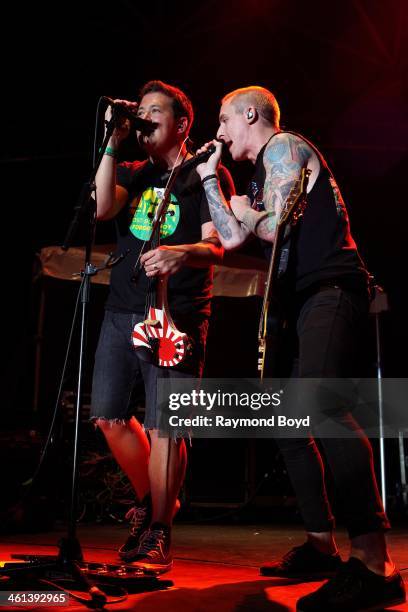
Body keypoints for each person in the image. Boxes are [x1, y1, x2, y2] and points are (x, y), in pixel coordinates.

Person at [196, 86, 405, 611]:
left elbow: (269, 226)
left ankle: (375, 561)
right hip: (298, 298)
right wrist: (211, 184)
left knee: (322, 406)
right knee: (287, 421)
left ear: (250, 114)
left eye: (223, 120)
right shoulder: (257, 177)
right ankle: (320, 544)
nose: (218, 133)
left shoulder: (285, 147)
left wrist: (243, 211)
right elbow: (240, 239)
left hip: (331, 288)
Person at [90, 80, 234, 573]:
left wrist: (181, 253)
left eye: (156, 112)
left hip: (177, 316)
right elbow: (101, 208)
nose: (146, 120)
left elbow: (218, 246)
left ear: (182, 124)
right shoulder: (134, 171)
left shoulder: (205, 175)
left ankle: (158, 531)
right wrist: (113, 141)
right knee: (108, 417)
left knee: (166, 426)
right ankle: (157, 507)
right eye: (142, 111)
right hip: (121, 310)